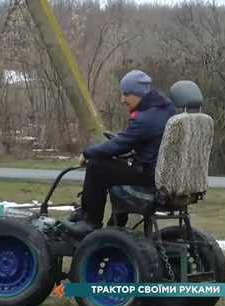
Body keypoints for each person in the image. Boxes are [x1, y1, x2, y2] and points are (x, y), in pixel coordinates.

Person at [60, 69, 179, 238]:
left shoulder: (145, 119)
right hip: (160, 173)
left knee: (97, 166)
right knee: (113, 167)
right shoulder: (167, 110)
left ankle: (90, 222)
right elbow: (136, 141)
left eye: (126, 94)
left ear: (139, 94)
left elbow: (118, 146)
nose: (123, 99)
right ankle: (115, 225)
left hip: (149, 175)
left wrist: (88, 153)